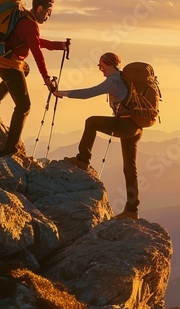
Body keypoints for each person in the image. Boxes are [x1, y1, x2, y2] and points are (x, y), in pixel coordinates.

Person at [52, 52, 142, 220]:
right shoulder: (124, 78)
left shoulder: (112, 81)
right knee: (130, 168)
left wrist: (61, 93)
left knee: (91, 122)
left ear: (107, 63)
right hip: (135, 127)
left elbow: (88, 93)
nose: (99, 68)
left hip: (124, 124)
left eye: (100, 64)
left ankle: (83, 159)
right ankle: (132, 210)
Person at [0, 0, 69, 156]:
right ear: (40, 8)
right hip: (9, 65)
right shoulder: (30, 24)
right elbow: (37, 52)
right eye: (48, 12)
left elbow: (35, 42)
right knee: (24, 106)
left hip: (3, 60)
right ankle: (10, 148)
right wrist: (46, 78)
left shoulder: (24, 17)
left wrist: (59, 45)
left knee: (25, 69)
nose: (49, 16)